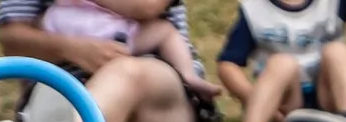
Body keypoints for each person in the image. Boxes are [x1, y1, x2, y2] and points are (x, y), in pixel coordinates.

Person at [0, 0, 219, 122]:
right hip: (65, 84)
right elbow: (13, 39)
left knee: (127, 73)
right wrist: (72, 49)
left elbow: (148, 5)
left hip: (154, 80)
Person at [216, 0, 346, 122]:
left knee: (338, 51)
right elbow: (227, 65)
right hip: (285, 102)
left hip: (327, 93)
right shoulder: (254, 9)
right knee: (282, 62)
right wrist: (250, 96)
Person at [40, 0, 221, 108]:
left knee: (163, 31)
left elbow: (146, 6)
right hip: (68, 29)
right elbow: (21, 37)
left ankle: (189, 76)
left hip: (117, 32)